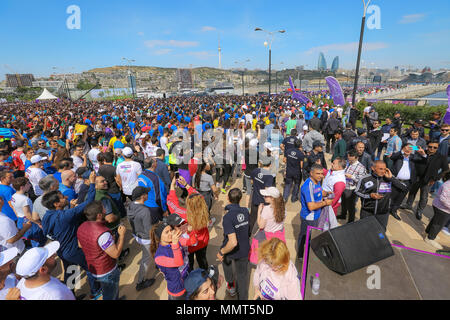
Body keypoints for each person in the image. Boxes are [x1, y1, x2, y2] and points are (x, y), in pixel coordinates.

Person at [41, 171, 101, 299]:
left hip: (62, 250)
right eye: (62, 197)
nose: (66, 198)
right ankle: (96, 292)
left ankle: (70, 295)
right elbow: (89, 201)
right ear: (56, 204)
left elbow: (48, 232)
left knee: (71, 271)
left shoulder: (47, 215)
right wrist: (91, 183)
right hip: (73, 250)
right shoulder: (66, 215)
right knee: (90, 268)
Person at [77, 201, 127, 300]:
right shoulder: (103, 234)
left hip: (94, 267)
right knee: (110, 294)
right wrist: (121, 235)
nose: (106, 211)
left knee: (107, 290)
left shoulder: (82, 226)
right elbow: (116, 254)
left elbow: (80, 245)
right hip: (107, 270)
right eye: (104, 209)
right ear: (99, 215)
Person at [402, 140, 449, 220]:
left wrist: (435, 178)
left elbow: (446, 170)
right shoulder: (421, 152)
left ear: (437, 148)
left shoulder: (441, 157)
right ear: (427, 146)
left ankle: (419, 211)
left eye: (435, 147)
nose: (432, 149)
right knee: (412, 192)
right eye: (430, 147)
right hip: (417, 177)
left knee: (424, 196)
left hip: (428, 180)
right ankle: (408, 205)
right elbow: (409, 148)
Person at [216, 188, 249, 300]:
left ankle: (231, 286)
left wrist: (222, 251)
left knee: (227, 266)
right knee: (242, 276)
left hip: (231, 251)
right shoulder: (245, 211)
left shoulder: (228, 217)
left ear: (227, 198)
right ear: (240, 199)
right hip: (244, 249)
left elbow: (233, 242)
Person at [354, 160, 406, 230]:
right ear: (373, 168)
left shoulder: (389, 178)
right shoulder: (365, 179)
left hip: (383, 213)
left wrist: (391, 179)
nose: (383, 171)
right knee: (364, 230)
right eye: (380, 169)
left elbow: (404, 188)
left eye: (385, 169)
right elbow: (357, 191)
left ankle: (380, 240)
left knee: (381, 233)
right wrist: (369, 196)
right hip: (367, 211)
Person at [150, 214, 190, 300]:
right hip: (177, 290)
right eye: (166, 232)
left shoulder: (173, 241)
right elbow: (179, 263)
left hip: (186, 280)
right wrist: (175, 244)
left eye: (171, 230)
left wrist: (191, 230)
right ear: (159, 237)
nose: (171, 233)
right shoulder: (159, 257)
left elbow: (191, 241)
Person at [298, 164, 333, 258]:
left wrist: (326, 193)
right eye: (318, 174)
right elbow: (311, 207)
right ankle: (301, 256)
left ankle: (308, 253)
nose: (321, 176)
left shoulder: (317, 182)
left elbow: (320, 191)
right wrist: (326, 203)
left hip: (317, 215)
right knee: (305, 237)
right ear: (311, 173)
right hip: (309, 217)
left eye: (322, 174)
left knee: (312, 236)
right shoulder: (307, 186)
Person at [126, 186, 157, 290]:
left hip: (137, 235)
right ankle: (140, 282)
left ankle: (158, 262)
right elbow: (149, 230)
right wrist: (155, 238)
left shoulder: (130, 205)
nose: (148, 195)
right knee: (145, 260)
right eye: (146, 193)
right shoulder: (145, 211)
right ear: (143, 196)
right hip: (146, 238)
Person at [389, 143, 427, 221]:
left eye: (410, 148)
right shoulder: (398, 156)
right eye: (406, 148)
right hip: (395, 181)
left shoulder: (413, 158)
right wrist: (402, 151)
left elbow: (424, 161)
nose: (408, 150)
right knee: (391, 196)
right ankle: (386, 210)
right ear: (403, 148)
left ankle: (394, 211)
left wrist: (423, 154)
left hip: (407, 183)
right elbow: (392, 157)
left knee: (400, 198)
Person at [11, 177, 46, 247]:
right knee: (38, 241)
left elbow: (13, 208)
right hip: (29, 222)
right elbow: (28, 214)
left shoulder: (14, 196)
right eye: (28, 184)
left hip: (21, 220)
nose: (30, 185)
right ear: (22, 187)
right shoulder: (24, 199)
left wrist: (19, 216)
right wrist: (39, 223)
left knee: (31, 240)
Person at [338, 150, 367, 223]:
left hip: (351, 189)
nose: (349, 160)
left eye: (351, 159)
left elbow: (362, 180)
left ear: (356, 158)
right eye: (348, 158)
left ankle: (351, 220)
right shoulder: (347, 163)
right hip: (343, 186)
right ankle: (343, 215)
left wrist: (351, 176)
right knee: (343, 203)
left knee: (350, 206)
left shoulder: (361, 168)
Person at [424, 171, 450, 250]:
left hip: (442, 207)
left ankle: (427, 232)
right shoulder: (448, 185)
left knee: (435, 220)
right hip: (442, 208)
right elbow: (443, 199)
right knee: (438, 224)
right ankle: (430, 238)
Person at [249, 158, 275, 237]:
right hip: (263, 202)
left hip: (254, 198)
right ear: (270, 165)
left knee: (252, 217)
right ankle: (257, 235)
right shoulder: (269, 176)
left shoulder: (255, 170)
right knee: (262, 219)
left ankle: (248, 233)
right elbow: (267, 191)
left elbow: (252, 182)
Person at [138, 157, 168, 222]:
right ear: (153, 165)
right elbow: (159, 197)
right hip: (155, 208)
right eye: (156, 161)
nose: (157, 162)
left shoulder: (141, 175)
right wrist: (164, 210)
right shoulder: (155, 179)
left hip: (144, 205)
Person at [185, 191, 210, 271]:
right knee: (202, 260)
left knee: (190, 262)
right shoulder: (205, 213)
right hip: (203, 242)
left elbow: (172, 202)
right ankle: (205, 275)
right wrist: (186, 185)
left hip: (190, 245)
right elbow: (198, 195)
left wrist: (172, 187)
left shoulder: (185, 217)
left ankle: (191, 277)